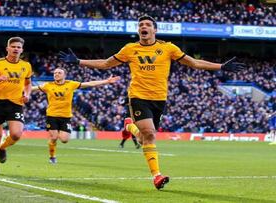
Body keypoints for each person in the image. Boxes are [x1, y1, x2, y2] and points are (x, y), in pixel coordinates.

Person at [59, 15, 246, 190]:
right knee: (150, 134)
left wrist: (221, 66)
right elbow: (107, 63)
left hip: (159, 99)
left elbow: (194, 63)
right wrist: (78, 61)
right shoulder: (129, 49)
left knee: (143, 137)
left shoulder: (169, 48)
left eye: (147, 25)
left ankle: (129, 126)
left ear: (154, 30)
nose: (143, 27)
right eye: (141, 25)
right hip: (138, 96)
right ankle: (156, 176)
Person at [32, 67, 120, 164]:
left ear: (64, 75)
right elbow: (33, 89)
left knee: (64, 140)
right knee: (53, 137)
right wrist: (19, 90)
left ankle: (54, 145)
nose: (56, 74)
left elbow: (89, 84)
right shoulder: (48, 85)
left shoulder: (71, 84)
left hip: (66, 117)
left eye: (59, 73)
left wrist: (106, 81)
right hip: (52, 115)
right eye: (55, 73)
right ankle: (52, 157)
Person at [0, 36, 32, 174]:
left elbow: (28, 83)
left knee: (16, 134)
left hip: (15, 103)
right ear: (7, 48)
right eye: (13, 46)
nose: (16, 49)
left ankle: (3, 148)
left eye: (18, 47)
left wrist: (27, 94)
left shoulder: (26, 66)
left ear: (22, 50)